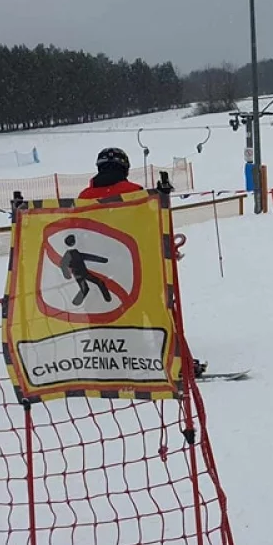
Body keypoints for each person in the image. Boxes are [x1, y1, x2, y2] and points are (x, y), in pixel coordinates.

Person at [78, 149, 206, 376]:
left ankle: (106, 365)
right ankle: (177, 364)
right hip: (136, 269)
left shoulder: (83, 198)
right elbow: (150, 228)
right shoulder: (135, 194)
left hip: (97, 273)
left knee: (102, 319)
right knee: (158, 313)